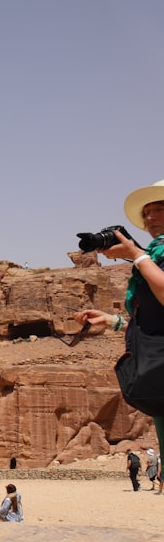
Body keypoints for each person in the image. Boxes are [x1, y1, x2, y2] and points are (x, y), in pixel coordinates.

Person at [75, 180, 164, 475]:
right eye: (146, 213)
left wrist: (137, 256)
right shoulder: (154, 255)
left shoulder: (149, 258)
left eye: (159, 210)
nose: (149, 218)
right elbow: (153, 322)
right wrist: (112, 321)